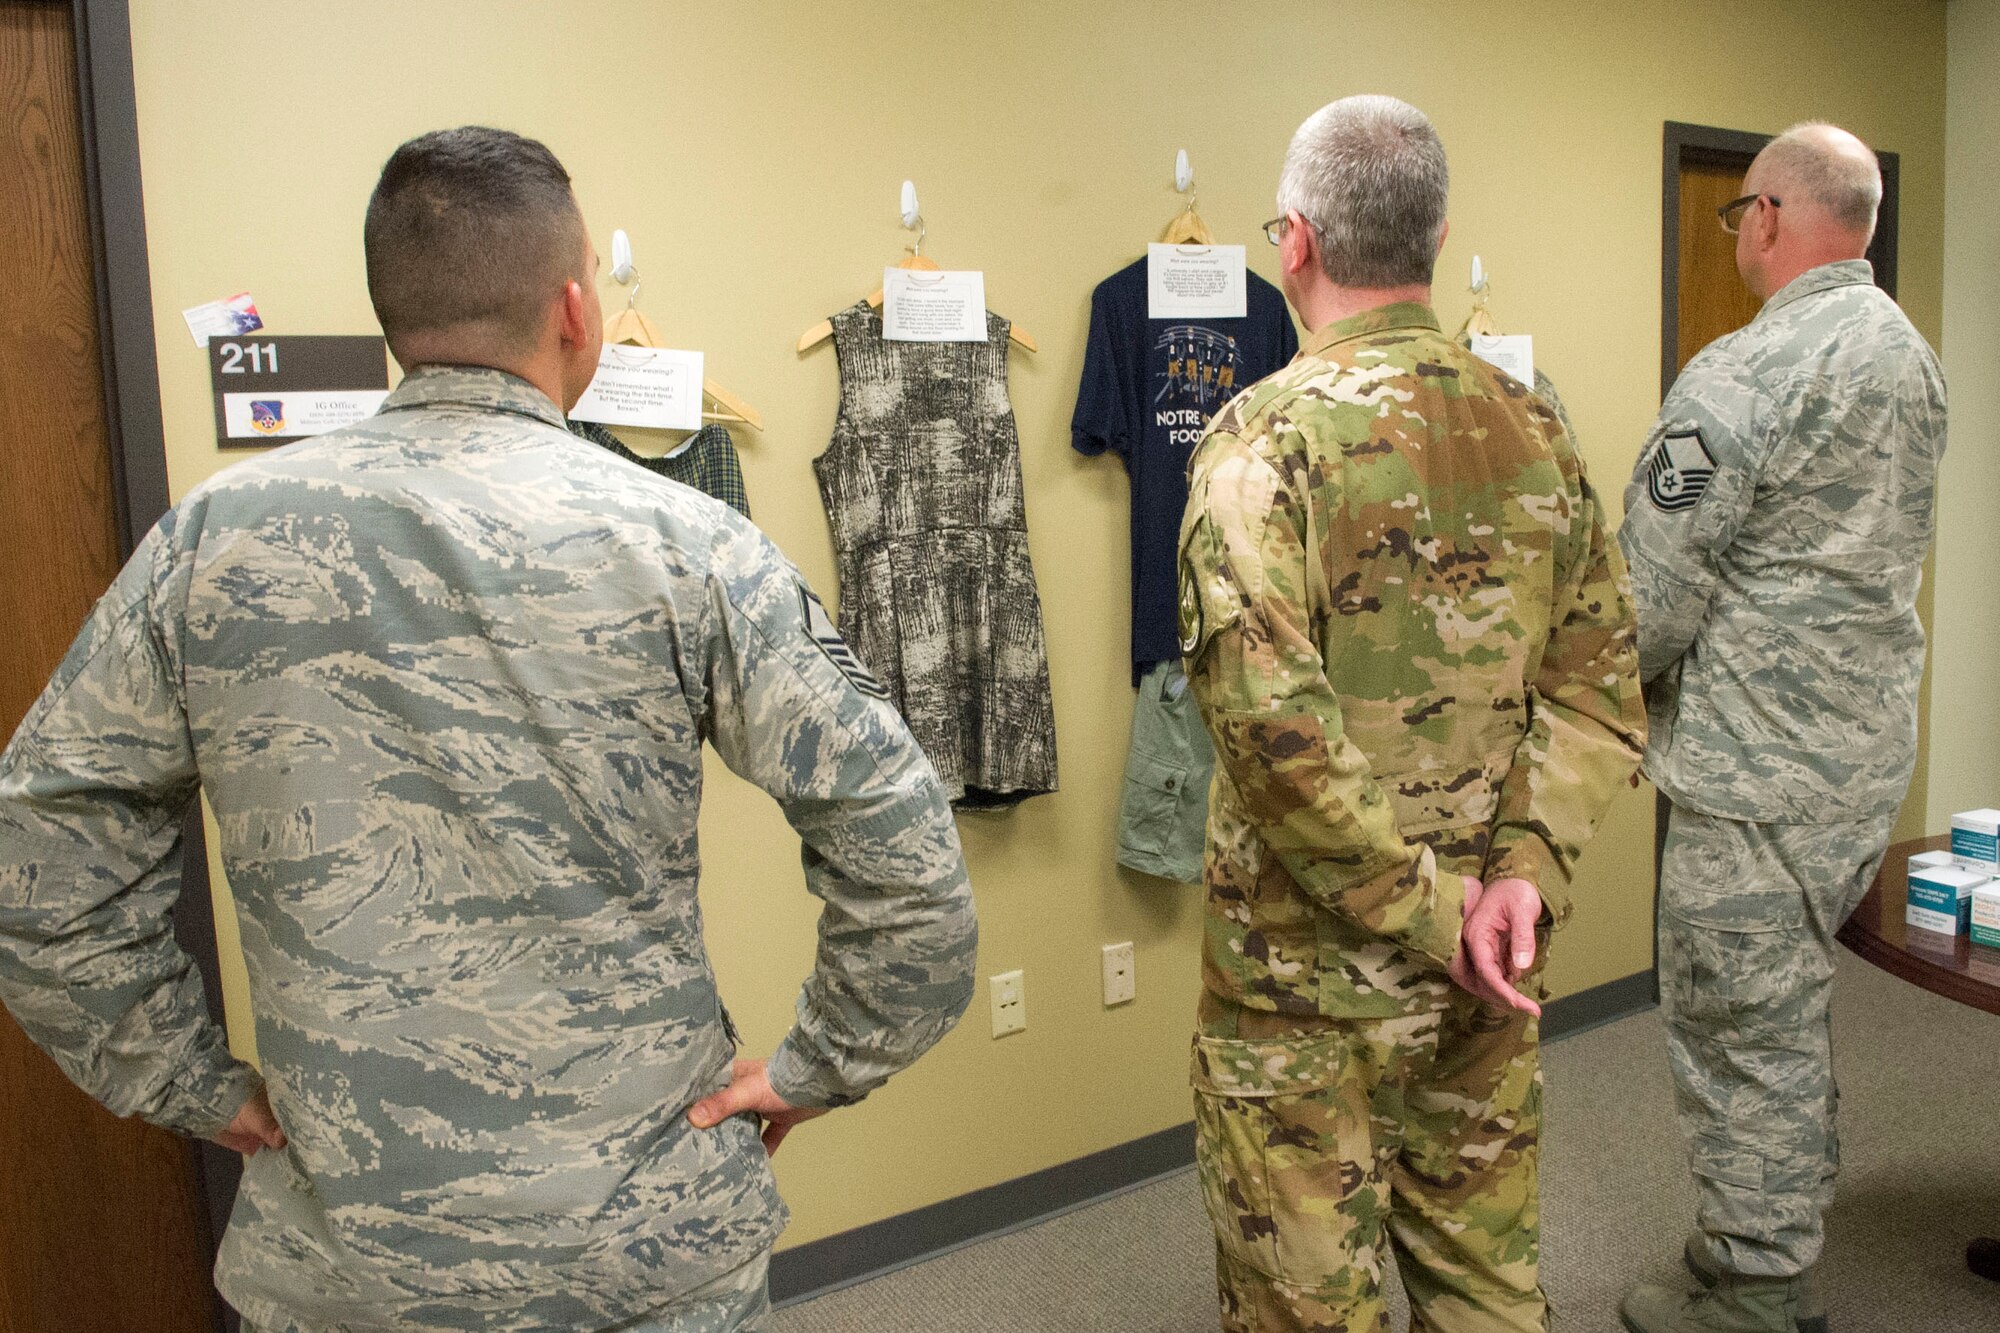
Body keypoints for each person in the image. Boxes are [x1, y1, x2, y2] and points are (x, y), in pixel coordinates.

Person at [0, 126, 977, 1332]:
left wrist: (188, 1081)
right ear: (576, 309)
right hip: (642, 1250)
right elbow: (907, 851)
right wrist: (820, 1063)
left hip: (348, 1266)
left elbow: (41, 865)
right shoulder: (687, 544)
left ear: (391, 319)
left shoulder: (212, 543)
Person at [1178, 94, 1645, 1333]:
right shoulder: (1536, 426)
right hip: (1491, 961)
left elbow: (1273, 742)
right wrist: (1513, 890)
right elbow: (1598, 689)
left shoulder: (1254, 448)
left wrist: (1440, 915)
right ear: (1434, 241)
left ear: (1292, 242)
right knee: (1484, 1285)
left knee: (1305, 1308)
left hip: (1305, 995)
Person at [1617, 123, 1946, 1333]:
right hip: (1859, 758)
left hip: (1755, 771)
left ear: (1764, 216)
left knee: (1738, 1025)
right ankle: (1745, 1249)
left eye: (1735, 216)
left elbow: (1646, 598)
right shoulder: (1907, 355)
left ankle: (1757, 1290)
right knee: (1783, 1009)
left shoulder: (1740, 376)